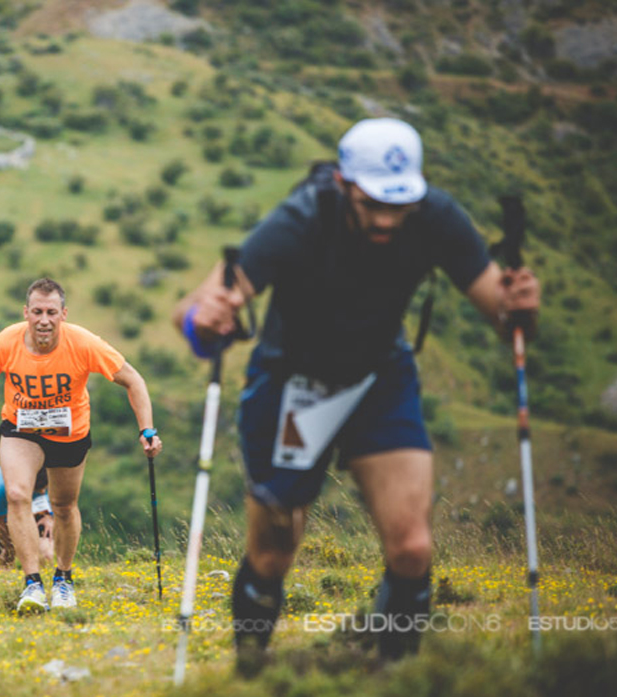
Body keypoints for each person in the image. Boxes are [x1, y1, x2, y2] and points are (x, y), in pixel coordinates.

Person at [174, 117, 541, 661]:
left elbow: (508, 319)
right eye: (375, 204)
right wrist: (206, 321)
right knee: (274, 549)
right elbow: (196, 318)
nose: (389, 219)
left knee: (413, 546)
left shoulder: (435, 216)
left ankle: (392, 677)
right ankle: (251, 669)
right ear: (345, 184)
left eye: (401, 204)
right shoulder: (302, 217)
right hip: (292, 388)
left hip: (379, 380)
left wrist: (523, 309)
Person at [0, 277, 162, 613]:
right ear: (26, 313)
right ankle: (32, 585)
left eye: (50, 312)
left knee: (63, 506)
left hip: (69, 432)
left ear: (63, 313)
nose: (43, 320)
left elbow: (133, 379)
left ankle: (63, 579)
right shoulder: (6, 341)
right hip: (21, 428)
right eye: (36, 312)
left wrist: (146, 430)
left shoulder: (83, 343)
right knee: (17, 494)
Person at [0, 466, 53, 569]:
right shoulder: (3, 486)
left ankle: (46, 577)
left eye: (44, 488)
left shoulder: (50, 474)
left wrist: (49, 517)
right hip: (8, 514)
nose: (42, 492)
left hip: (38, 510)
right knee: (7, 559)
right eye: (38, 489)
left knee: (47, 554)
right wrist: (8, 546)